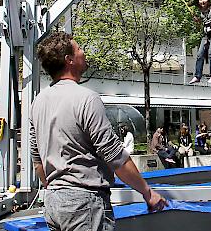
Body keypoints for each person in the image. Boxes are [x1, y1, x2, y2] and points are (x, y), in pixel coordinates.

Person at [30, 32, 167, 231]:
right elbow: (114, 156)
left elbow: (37, 161)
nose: (83, 52)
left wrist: (52, 188)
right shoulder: (86, 98)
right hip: (84, 203)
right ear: (69, 60)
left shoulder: (38, 102)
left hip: (53, 203)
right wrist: (147, 192)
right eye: (78, 49)